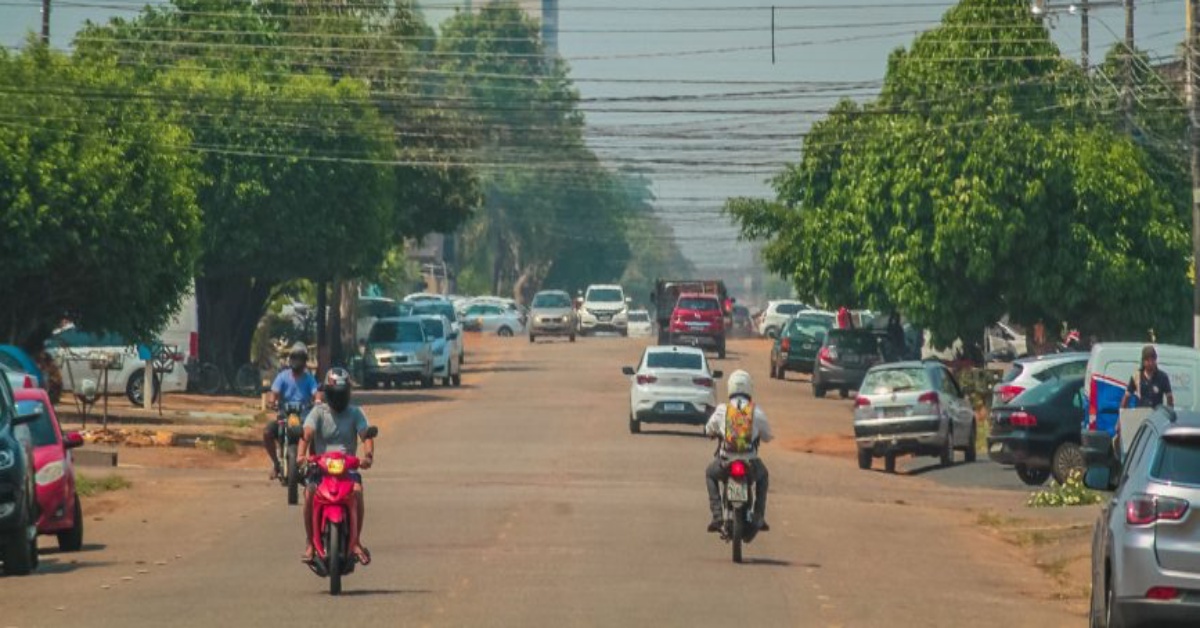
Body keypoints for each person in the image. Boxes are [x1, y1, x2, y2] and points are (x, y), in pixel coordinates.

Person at [298, 368, 374, 565]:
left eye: (342, 394)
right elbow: (306, 434)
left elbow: (366, 436)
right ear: (328, 393)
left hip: (347, 468)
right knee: (308, 494)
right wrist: (300, 456)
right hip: (320, 468)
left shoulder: (355, 412)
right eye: (335, 394)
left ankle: (356, 541)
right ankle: (311, 543)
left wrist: (368, 456)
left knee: (357, 492)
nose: (339, 398)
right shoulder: (318, 412)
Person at [704, 370, 774, 533]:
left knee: (710, 474)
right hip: (750, 463)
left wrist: (713, 433)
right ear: (749, 388)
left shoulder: (723, 409)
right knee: (763, 477)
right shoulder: (756, 411)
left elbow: (708, 429)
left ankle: (717, 516)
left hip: (725, 462)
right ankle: (758, 516)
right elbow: (768, 436)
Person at [263, 343, 320, 479]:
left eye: (300, 358)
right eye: (294, 357)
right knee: (267, 432)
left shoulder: (309, 379)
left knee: (315, 434)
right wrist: (272, 401)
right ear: (290, 359)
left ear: (305, 361)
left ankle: (314, 465)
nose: (297, 361)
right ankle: (276, 464)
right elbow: (274, 392)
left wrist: (318, 401)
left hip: (304, 418)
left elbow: (316, 393)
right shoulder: (282, 376)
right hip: (284, 416)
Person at [1121, 345, 1174, 410]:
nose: (1150, 363)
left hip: (1156, 416)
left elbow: (1169, 398)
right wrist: (1122, 415)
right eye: (1148, 360)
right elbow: (1126, 397)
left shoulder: (1163, 377)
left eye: (1153, 360)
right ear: (1143, 361)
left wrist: (1170, 413)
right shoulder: (1136, 376)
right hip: (1140, 415)